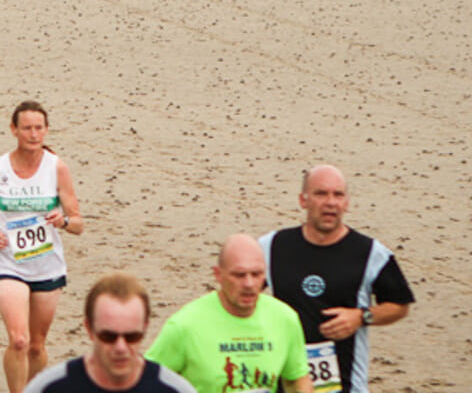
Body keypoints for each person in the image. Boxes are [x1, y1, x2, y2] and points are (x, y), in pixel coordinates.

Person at [259, 166, 414, 393]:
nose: (330, 202)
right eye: (321, 194)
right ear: (304, 200)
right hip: (283, 383)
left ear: (347, 203)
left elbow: (400, 305)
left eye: (338, 195)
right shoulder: (272, 247)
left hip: (347, 385)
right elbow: (238, 291)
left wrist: (362, 316)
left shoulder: (372, 253)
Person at [0, 100, 83, 393]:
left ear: (46, 131)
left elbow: (78, 221)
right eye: (27, 128)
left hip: (47, 265)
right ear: (14, 130)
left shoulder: (57, 168)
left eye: (38, 128)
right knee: (19, 340)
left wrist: (63, 221)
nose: (33, 134)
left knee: (37, 345)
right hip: (9, 263)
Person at [145, 235, 313, 393]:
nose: (249, 284)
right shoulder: (185, 326)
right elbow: (145, 380)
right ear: (218, 275)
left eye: (256, 274)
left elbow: (296, 378)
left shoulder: (284, 318)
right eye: (239, 275)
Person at [24, 274, 196, 393]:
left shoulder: (173, 389)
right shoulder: (50, 388)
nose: (120, 347)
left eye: (131, 337)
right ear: (89, 329)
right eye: (108, 337)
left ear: (145, 329)